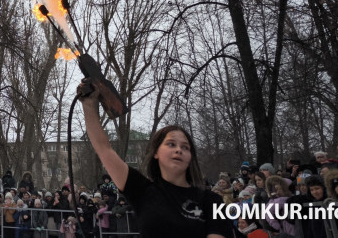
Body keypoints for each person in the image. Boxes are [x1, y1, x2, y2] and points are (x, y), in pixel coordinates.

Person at [78, 78, 232, 238]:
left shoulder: (212, 201)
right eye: (171, 144)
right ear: (156, 153)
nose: (179, 150)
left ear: (190, 157)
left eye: (185, 147)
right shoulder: (142, 190)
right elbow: (104, 149)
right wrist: (89, 105)